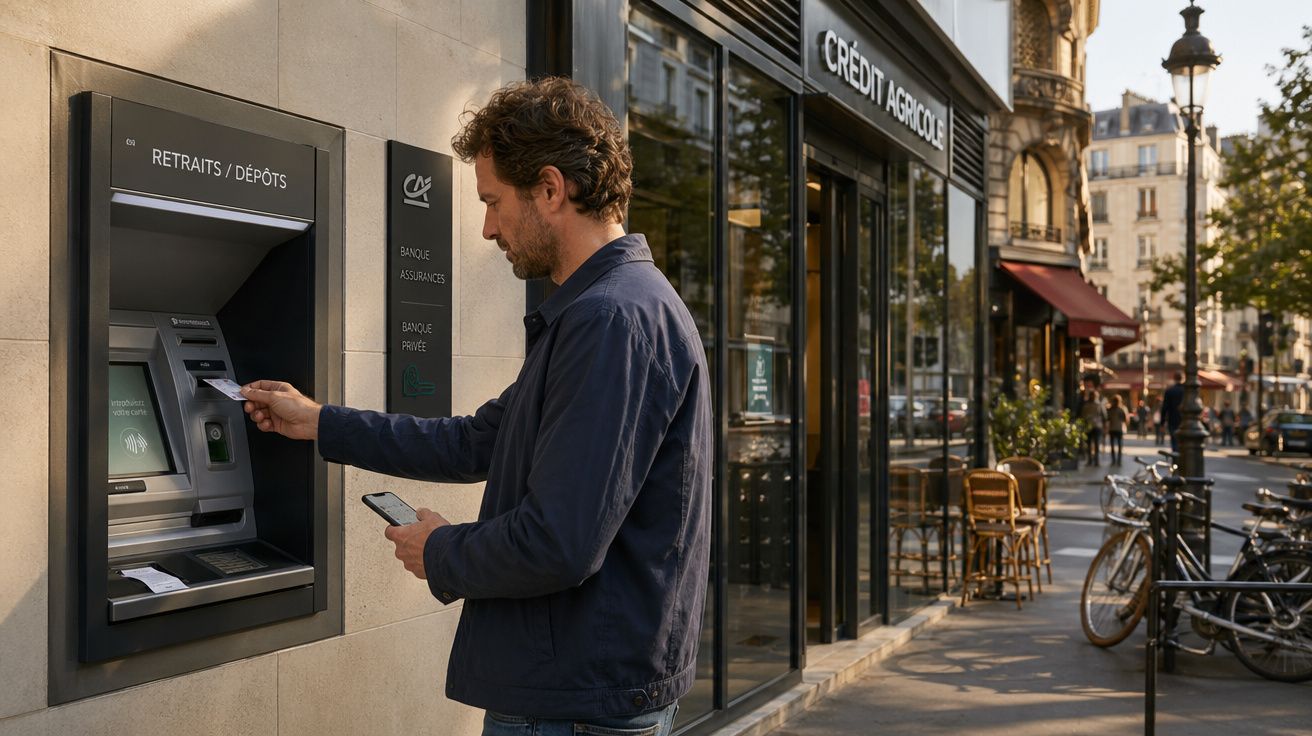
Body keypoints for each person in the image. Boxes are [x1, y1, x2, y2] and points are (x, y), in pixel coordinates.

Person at [240, 78, 710, 736]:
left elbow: (559, 543)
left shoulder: (612, 322)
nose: (488, 227)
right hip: (577, 693)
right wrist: (319, 421)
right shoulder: (604, 312)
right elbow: (476, 442)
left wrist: (441, 551)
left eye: (493, 201)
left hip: (570, 707)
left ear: (550, 189)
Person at [1079, 388, 1107, 466]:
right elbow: (1104, 417)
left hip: (1090, 426)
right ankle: (1095, 460)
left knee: (1090, 444)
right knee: (1095, 444)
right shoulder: (1099, 405)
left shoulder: (1087, 405)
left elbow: (1082, 417)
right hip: (1096, 426)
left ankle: (1091, 460)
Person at [1162, 371, 1185, 454]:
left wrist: (1162, 422)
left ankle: (1176, 459)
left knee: (1174, 441)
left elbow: (1165, 408)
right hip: (1185, 420)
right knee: (1183, 441)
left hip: (1172, 420)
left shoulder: (1169, 391)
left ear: (1174, 379)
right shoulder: (1187, 391)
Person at [1106, 395, 1127, 464]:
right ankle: (1118, 460)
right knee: (1119, 445)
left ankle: (1114, 460)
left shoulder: (1110, 409)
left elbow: (1107, 419)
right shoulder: (1121, 409)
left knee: (1113, 446)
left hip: (1113, 429)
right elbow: (1125, 419)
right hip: (1118, 429)